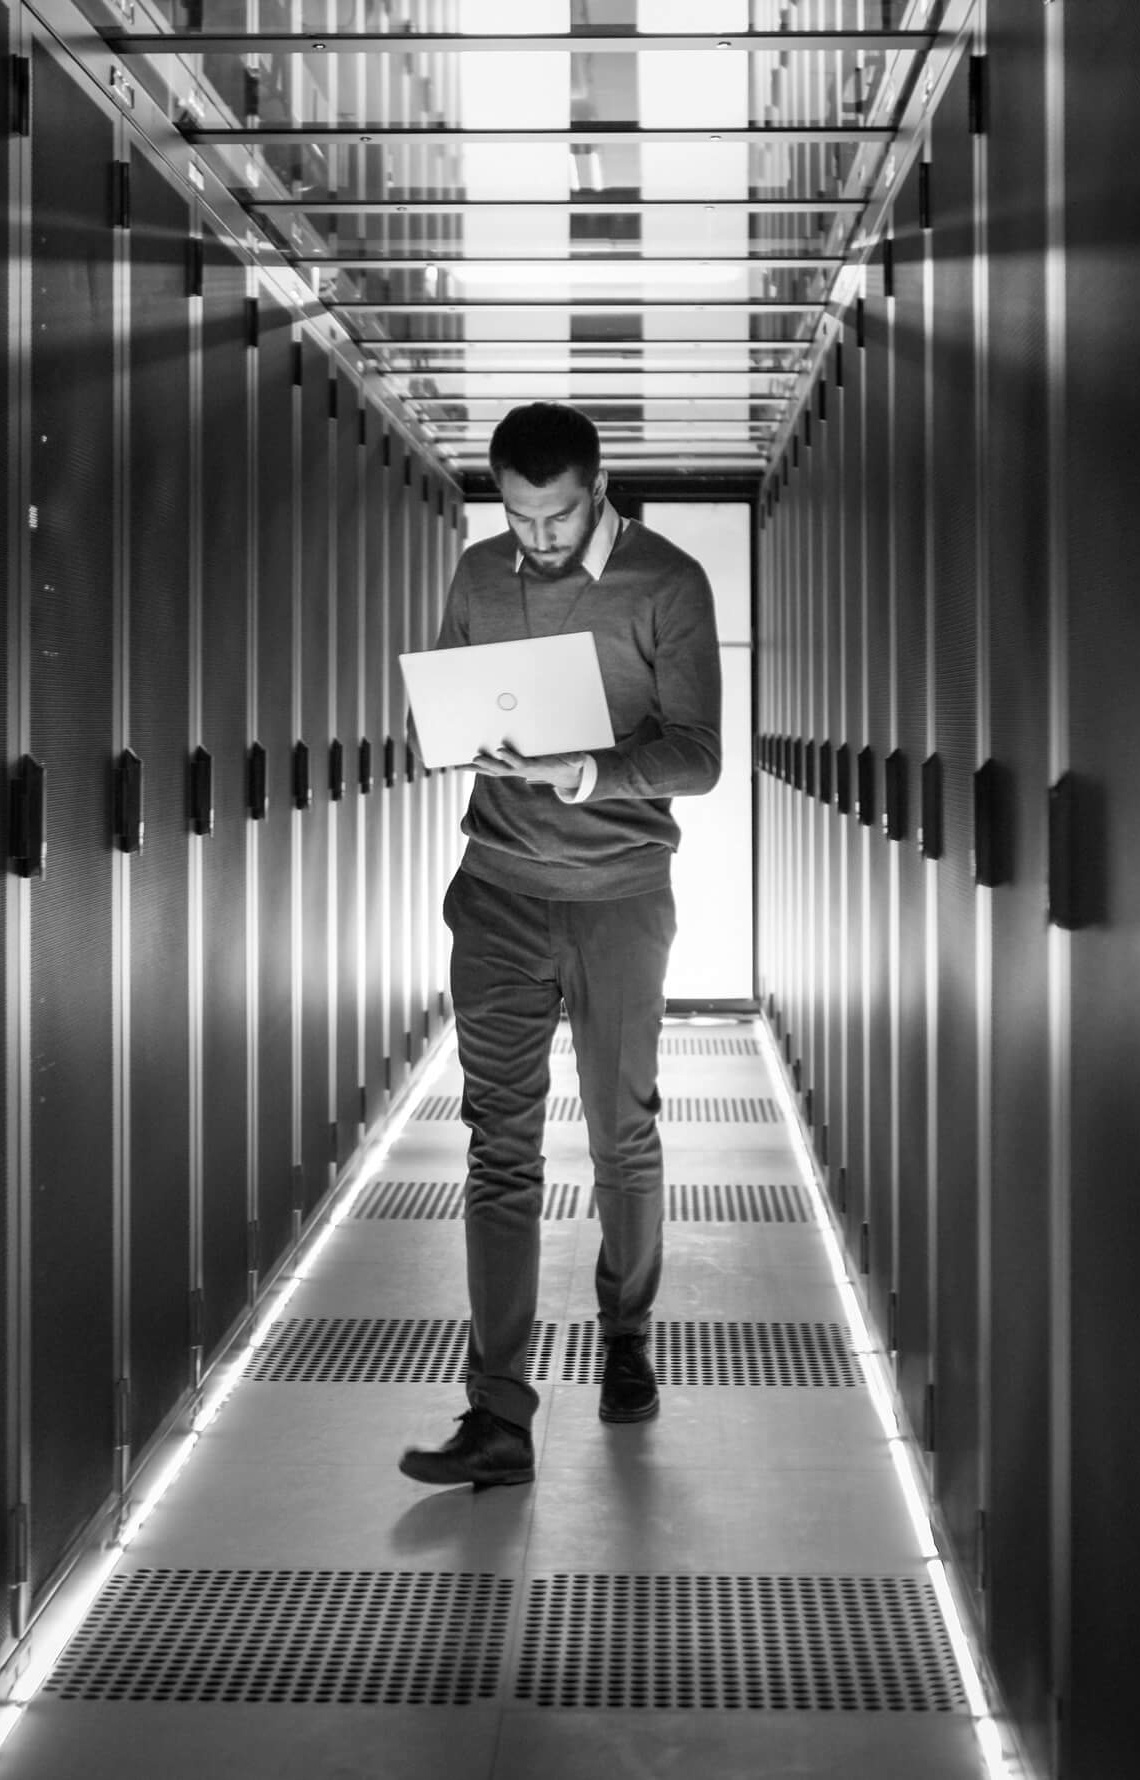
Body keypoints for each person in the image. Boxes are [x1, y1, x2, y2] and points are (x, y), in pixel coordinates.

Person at [398, 402, 723, 1488]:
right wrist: (447, 733)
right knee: (499, 1148)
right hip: (494, 890)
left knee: (622, 1133)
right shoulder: (480, 575)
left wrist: (587, 771)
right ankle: (497, 1410)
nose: (535, 538)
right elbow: (438, 704)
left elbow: (698, 754)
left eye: (557, 516)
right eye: (519, 516)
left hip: (619, 896)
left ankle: (624, 1335)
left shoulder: (667, 582)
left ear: (596, 489)